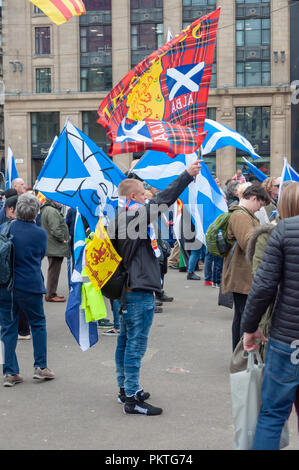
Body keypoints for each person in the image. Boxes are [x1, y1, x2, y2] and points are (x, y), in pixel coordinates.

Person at [107, 160, 201, 415]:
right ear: (134, 196)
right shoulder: (132, 217)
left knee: (125, 342)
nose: (147, 196)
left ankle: (125, 389)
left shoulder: (119, 217)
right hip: (136, 290)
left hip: (128, 289)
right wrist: (186, 175)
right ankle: (132, 399)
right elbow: (164, 201)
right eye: (143, 193)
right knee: (135, 345)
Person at [241, 182, 299, 450]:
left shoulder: (285, 231)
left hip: (288, 340)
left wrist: (249, 328)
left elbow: (263, 287)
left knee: (273, 413)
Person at [0, 193, 55, 387]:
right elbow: (40, 255)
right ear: (35, 212)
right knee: (38, 324)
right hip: (29, 284)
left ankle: (10, 371)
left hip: (6, 284)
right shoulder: (39, 233)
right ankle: (40, 367)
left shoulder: (5, 228)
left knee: (8, 327)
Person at [221, 183, 270, 351]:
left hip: (242, 273)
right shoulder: (241, 215)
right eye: (260, 204)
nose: (259, 209)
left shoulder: (245, 214)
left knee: (242, 315)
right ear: (254, 198)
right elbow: (248, 243)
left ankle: (240, 352)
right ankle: (241, 354)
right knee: (244, 316)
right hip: (241, 275)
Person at [40, 198, 70, 302]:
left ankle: (52, 293)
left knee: (53, 270)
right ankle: (51, 295)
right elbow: (56, 229)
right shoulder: (52, 211)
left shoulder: (48, 209)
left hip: (53, 245)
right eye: (58, 199)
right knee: (54, 271)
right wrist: (63, 239)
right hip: (55, 246)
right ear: (53, 200)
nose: (60, 201)